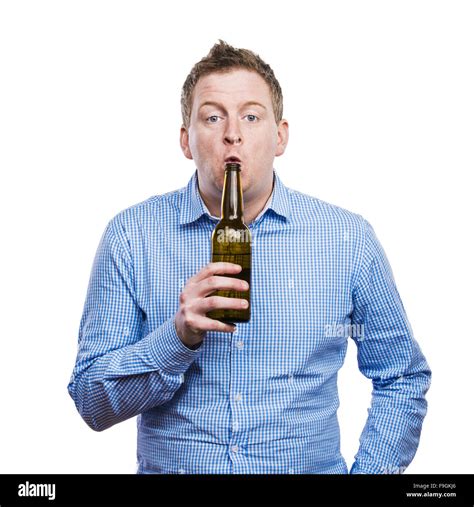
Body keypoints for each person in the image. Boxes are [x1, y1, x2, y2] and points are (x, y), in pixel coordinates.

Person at [67, 40, 431, 474]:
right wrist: (176, 338)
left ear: (280, 136)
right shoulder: (132, 236)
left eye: (252, 116)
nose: (232, 133)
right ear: (186, 141)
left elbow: (401, 377)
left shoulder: (347, 240)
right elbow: (92, 401)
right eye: (212, 116)